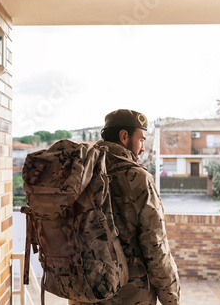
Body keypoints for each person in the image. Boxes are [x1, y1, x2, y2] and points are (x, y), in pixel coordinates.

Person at [70, 109, 181, 305]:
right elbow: (155, 247)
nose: (142, 148)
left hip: (83, 293)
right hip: (128, 296)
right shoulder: (138, 179)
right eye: (141, 140)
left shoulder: (79, 174)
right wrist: (171, 298)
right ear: (124, 136)